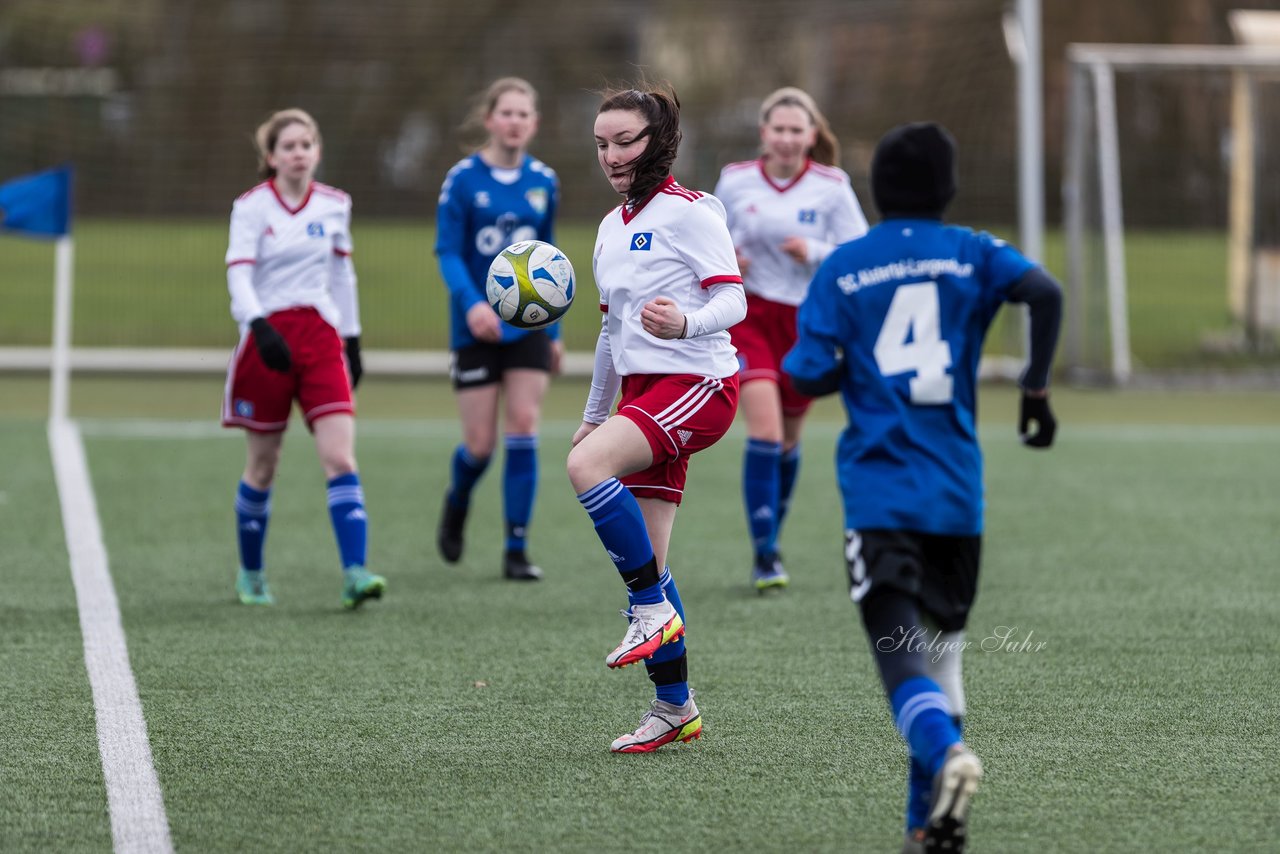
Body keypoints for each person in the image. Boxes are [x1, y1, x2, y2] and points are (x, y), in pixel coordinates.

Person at [782, 122, 1061, 852]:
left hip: (882, 497)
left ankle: (948, 760)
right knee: (941, 661)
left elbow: (804, 374)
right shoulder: (973, 251)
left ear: (876, 191)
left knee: (900, 659)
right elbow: (1045, 291)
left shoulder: (843, 268)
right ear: (949, 189)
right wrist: (1035, 389)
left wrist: (847, 364)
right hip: (958, 498)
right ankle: (928, 828)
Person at [566, 84, 747, 753]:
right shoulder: (610, 231)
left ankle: (647, 611)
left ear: (658, 141)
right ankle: (676, 708)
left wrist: (687, 322)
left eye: (624, 141)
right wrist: (593, 413)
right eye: (601, 144)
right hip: (644, 392)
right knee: (652, 559)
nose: (611, 155)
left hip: (698, 382)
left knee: (584, 469)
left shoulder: (692, 212)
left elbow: (734, 303)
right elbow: (611, 336)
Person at [222, 108, 386, 610]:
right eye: (288, 146)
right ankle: (251, 573)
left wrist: (352, 339)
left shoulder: (335, 205)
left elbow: (343, 278)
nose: (299, 153)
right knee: (263, 466)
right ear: (271, 156)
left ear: (317, 151)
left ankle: (355, 573)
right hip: (267, 342)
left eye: (307, 144)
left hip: (320, 340)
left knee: (339, 456)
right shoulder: (251, 207)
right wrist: (256, 324)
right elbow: (238, 274)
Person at [714, 87, 869, 591]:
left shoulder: (832, 185)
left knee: (788, 439)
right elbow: (711, 241)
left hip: (808, 323)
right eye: (777, 129)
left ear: (811, 136)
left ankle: (772, 534)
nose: (785, 138)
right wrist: (727, 261)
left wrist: (817, 251)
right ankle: (766, 553)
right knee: (764, 431)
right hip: (750, 317)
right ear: (763, 134)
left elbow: (860, 253)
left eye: (795, 130)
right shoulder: (735, 182)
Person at [434, 77, 561, 581]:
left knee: (525, 425)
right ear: (489, 120)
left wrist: (552, 333)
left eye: (523, 114)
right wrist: (470, 305)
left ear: (534, 123)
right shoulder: (463, 179)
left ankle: (516, 547)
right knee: (480, 446)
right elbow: (447, 251)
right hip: (476, 327)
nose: (514, 121)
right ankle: (458, 497)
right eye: (505, 113)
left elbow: (550, 258)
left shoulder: (544, 180)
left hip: (527, 327)